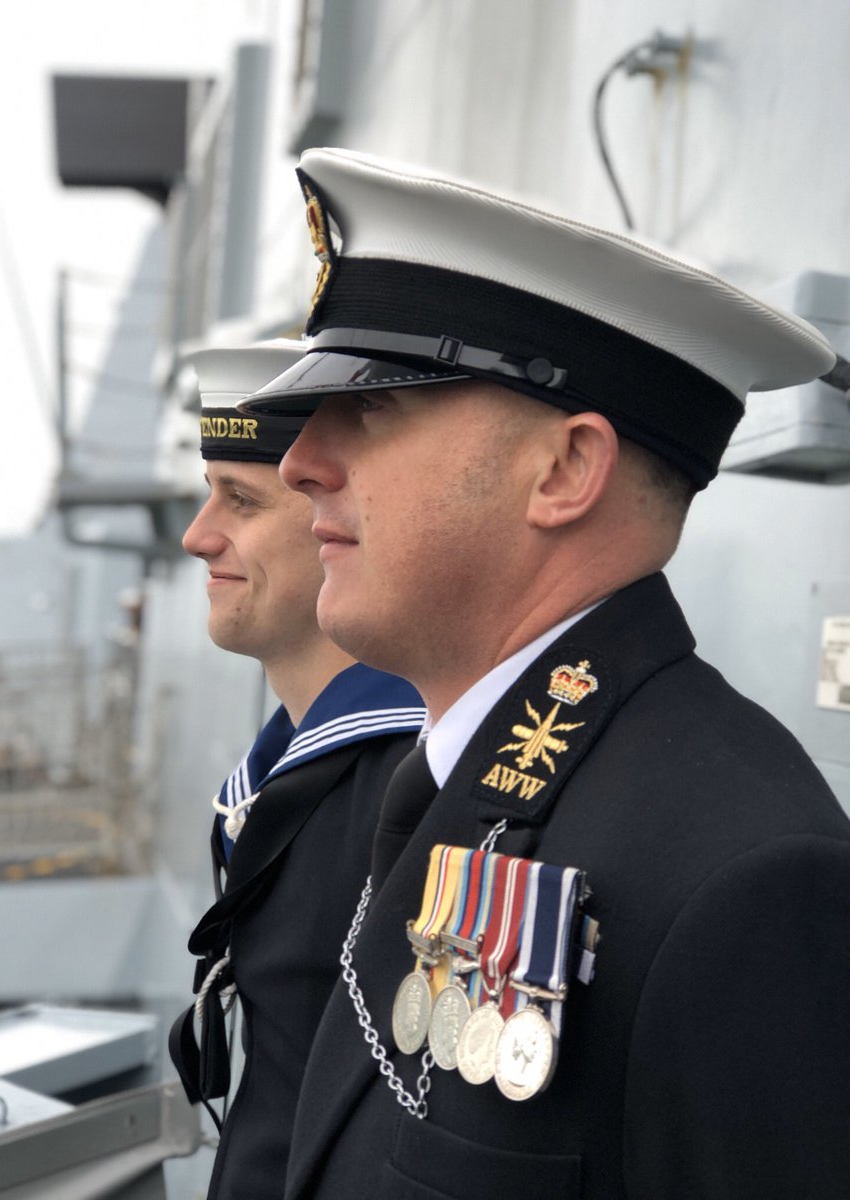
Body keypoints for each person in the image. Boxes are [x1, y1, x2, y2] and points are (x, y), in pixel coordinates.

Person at [242, 151, 850, 1200]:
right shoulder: (466, 787)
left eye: (375, 408)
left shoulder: (744, 883)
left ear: (565, 471)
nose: (300, 463)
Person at [168, 338, 425, 1200]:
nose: (197, 536)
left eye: (240, 499)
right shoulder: (291, 768)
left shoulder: (410, 787)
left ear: (335, 518)